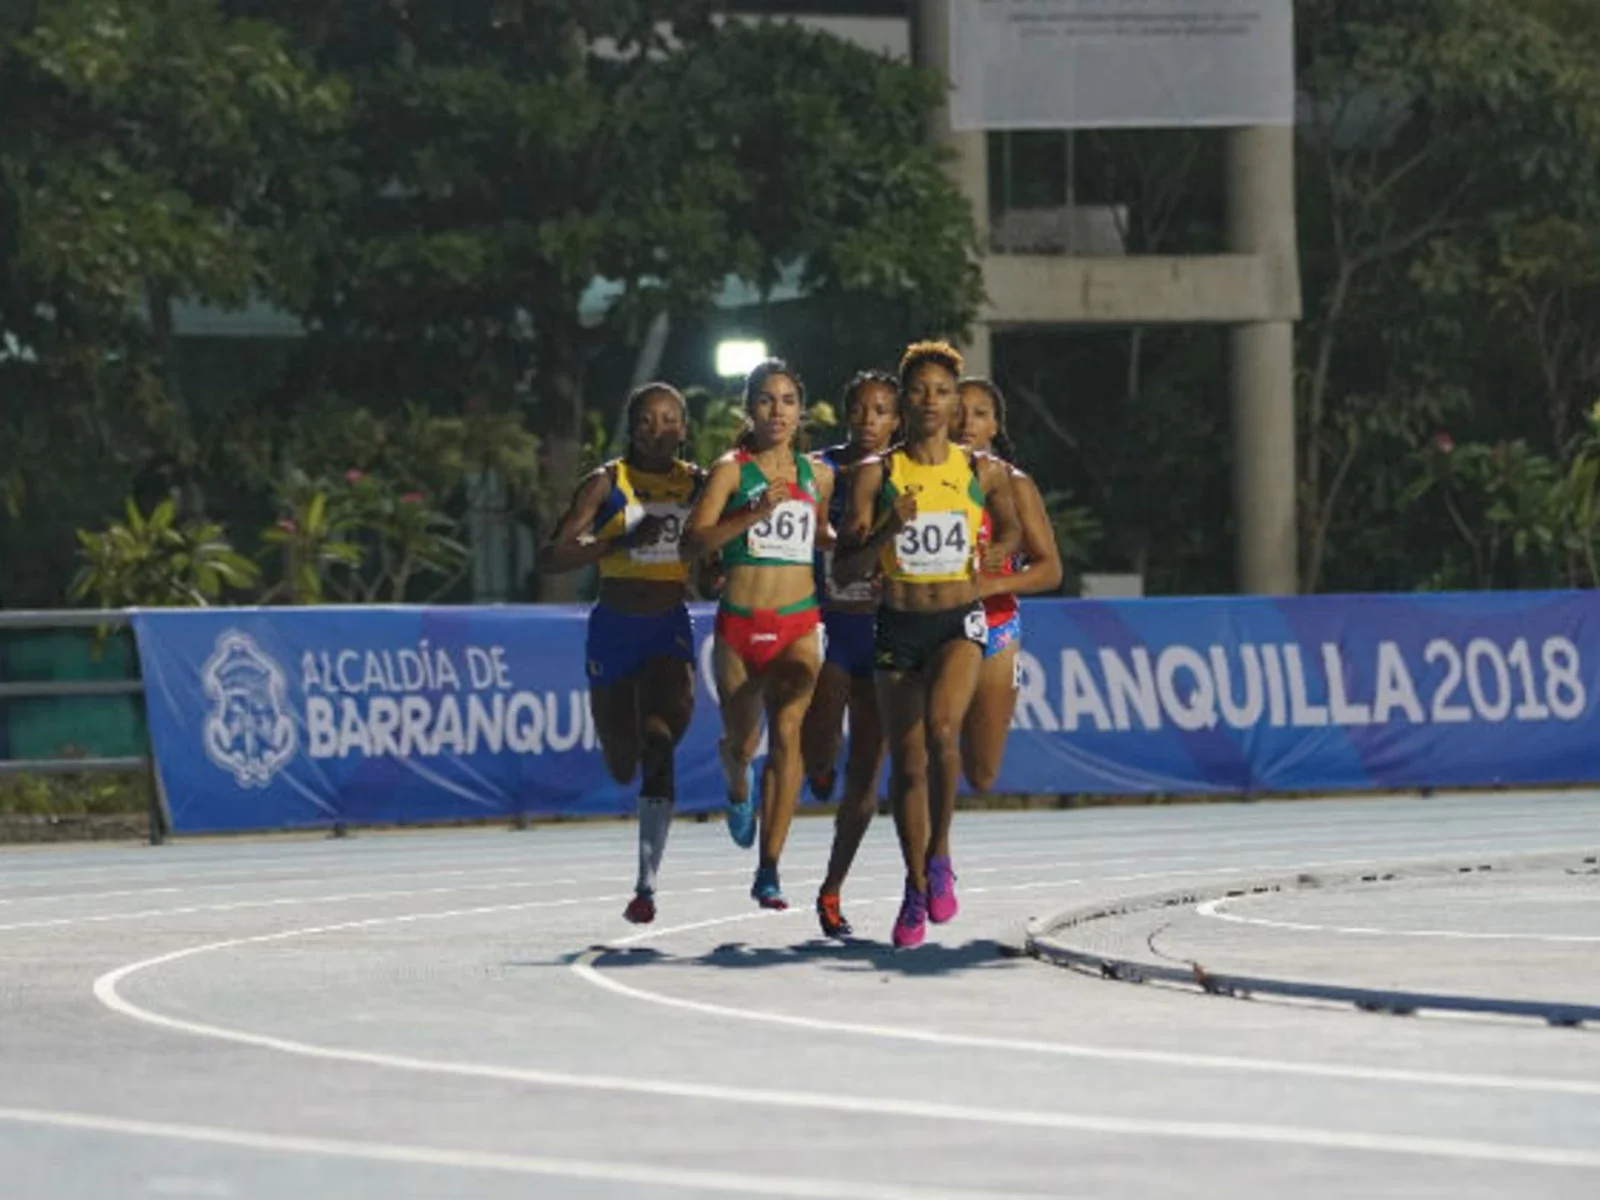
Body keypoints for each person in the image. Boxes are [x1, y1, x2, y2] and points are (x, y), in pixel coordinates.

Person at [836, 341, 1020, 948]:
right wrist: (889, 528)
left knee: (943, 730)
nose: (931, 402)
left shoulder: (981, 471)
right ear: (905, 402)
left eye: (942, 391)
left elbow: (1012, 527)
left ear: (955, 399)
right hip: (898, 624)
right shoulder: (877, 473)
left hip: (959, 621)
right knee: (908, 763)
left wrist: (994, 552)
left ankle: (940, 854)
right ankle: (914, 886)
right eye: (918, 392)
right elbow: (845, 566)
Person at [539, 383, 702, 926]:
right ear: (632, 427)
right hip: (613, 629)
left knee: (659, 741)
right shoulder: (606, 483)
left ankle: (646, 884)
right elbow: (552, 556)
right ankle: (626, 752)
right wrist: (620, 543)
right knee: (622, 761)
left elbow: (721, 538)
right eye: (648, 421)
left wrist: (718, 569)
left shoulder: (697, 483)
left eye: (670, 420)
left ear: (684, 428)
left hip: (667, 627)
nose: (659, 430)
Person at [684, 359, 833, 910]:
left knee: (789, 731)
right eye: (767, 400)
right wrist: (752, 512)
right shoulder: (730, 470)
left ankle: (769, 867)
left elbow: (820, 534)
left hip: (799, 621)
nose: (778, 410)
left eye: (788, 400)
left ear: (800, 411)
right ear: (749, 409)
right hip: (741, 628)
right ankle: (736, 780)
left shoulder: (818, 475)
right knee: (744, 742)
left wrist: (864, 542)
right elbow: (694, 541)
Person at [801, 369, 900, 938]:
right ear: (845, 415)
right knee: (820, 750)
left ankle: (832, 888)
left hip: (885, 633)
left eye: (881, 411)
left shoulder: (908, 472)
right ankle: (818, 762)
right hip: (830, 625)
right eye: (860, 409)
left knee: (865, 774)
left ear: (896, 421)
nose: (868, 420)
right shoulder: (820, 469)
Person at [954, 377, 1064, 793]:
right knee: (932, 742)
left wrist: (991, 585)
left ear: (995, 426)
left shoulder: (1015, 484)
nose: (967, 422)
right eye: (958, 412)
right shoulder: (916, 476)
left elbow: (1050, 569)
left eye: (979, 414)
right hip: (932, 625)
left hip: (995, 626)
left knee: (982, 773)